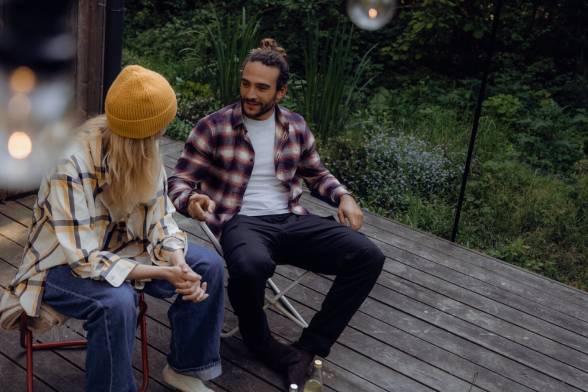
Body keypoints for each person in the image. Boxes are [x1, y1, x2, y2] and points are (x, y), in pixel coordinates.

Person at [168, 38, 385, 388]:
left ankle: (309, 347)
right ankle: (260, 342)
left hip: (291, 219)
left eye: (261, 87)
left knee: (368, 256)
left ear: (281, 92)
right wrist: (190, 200)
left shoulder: (295, 126)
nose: (250, 93)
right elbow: (179, 180)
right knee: (252, 265)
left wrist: (344, 196)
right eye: (246, 83)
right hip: (241, 223)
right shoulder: (214, 125)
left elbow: (316, 173)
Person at [0, 65, 223, 392]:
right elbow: (85, 260)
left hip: (125, 250)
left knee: (209, 267)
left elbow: (160, 219)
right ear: (142, 135)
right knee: (116, 302)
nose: (160, 138)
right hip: (59, 268)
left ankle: (185, 368)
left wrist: (177, 261)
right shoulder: (70, 163)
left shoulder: (144, 148)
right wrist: (163, 275)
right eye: (156, 133)